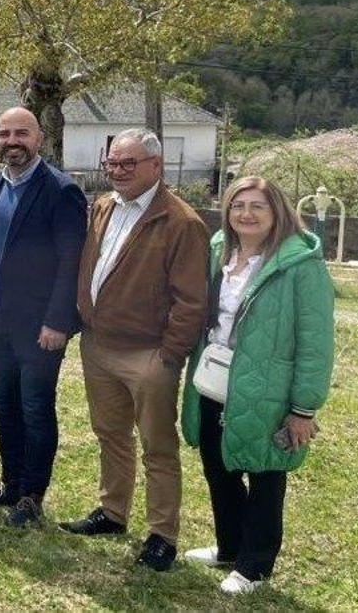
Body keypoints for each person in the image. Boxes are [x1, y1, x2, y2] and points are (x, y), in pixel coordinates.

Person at [62, 129, 210, 572]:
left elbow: (191, 300)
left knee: (157, 448)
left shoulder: (182, 222)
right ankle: (112, 512)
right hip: (99, 345)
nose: (119, 171)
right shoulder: (104, 206)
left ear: (156, 166)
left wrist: (170, 354)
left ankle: (162, 534)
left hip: (150, 355)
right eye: (113, 163)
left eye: (130, 163)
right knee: (110, 435)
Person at [181, 177, 335, 595]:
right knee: (219, 466)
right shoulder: (218, 251)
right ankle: (230, 548)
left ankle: (255, 567)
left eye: (257, 207)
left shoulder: (300, 264)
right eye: (237, 206)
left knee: (266, 474)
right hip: (213, 378)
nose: (246, 214)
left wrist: (303, 407)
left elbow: (316, 340)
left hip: (269, 387)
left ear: (277, 212)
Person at [0, 107, 87, 528]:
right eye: (4, 134)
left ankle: (33, 496)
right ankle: (11, 482)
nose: (12, 141)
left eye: (21, 133)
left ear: (38, 139)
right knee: (3, 402)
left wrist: (58, 321)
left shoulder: (61, 190)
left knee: (35, 408)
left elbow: (71, 263)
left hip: (40, 328)